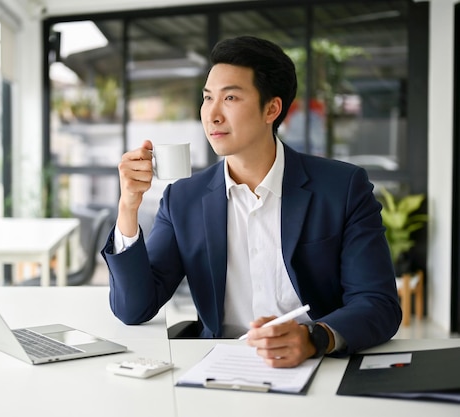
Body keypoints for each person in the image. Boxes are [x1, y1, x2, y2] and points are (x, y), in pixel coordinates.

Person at [100, 35, 401, 368]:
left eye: (230, 97)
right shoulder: (184, 199)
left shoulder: (342, 188)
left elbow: (378, 303)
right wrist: (129, 205)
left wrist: (315, 338)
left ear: (271, 108)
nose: (211, 115)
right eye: (207, 98)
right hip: (218, 367)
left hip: (314, 364)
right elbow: (134, 308)